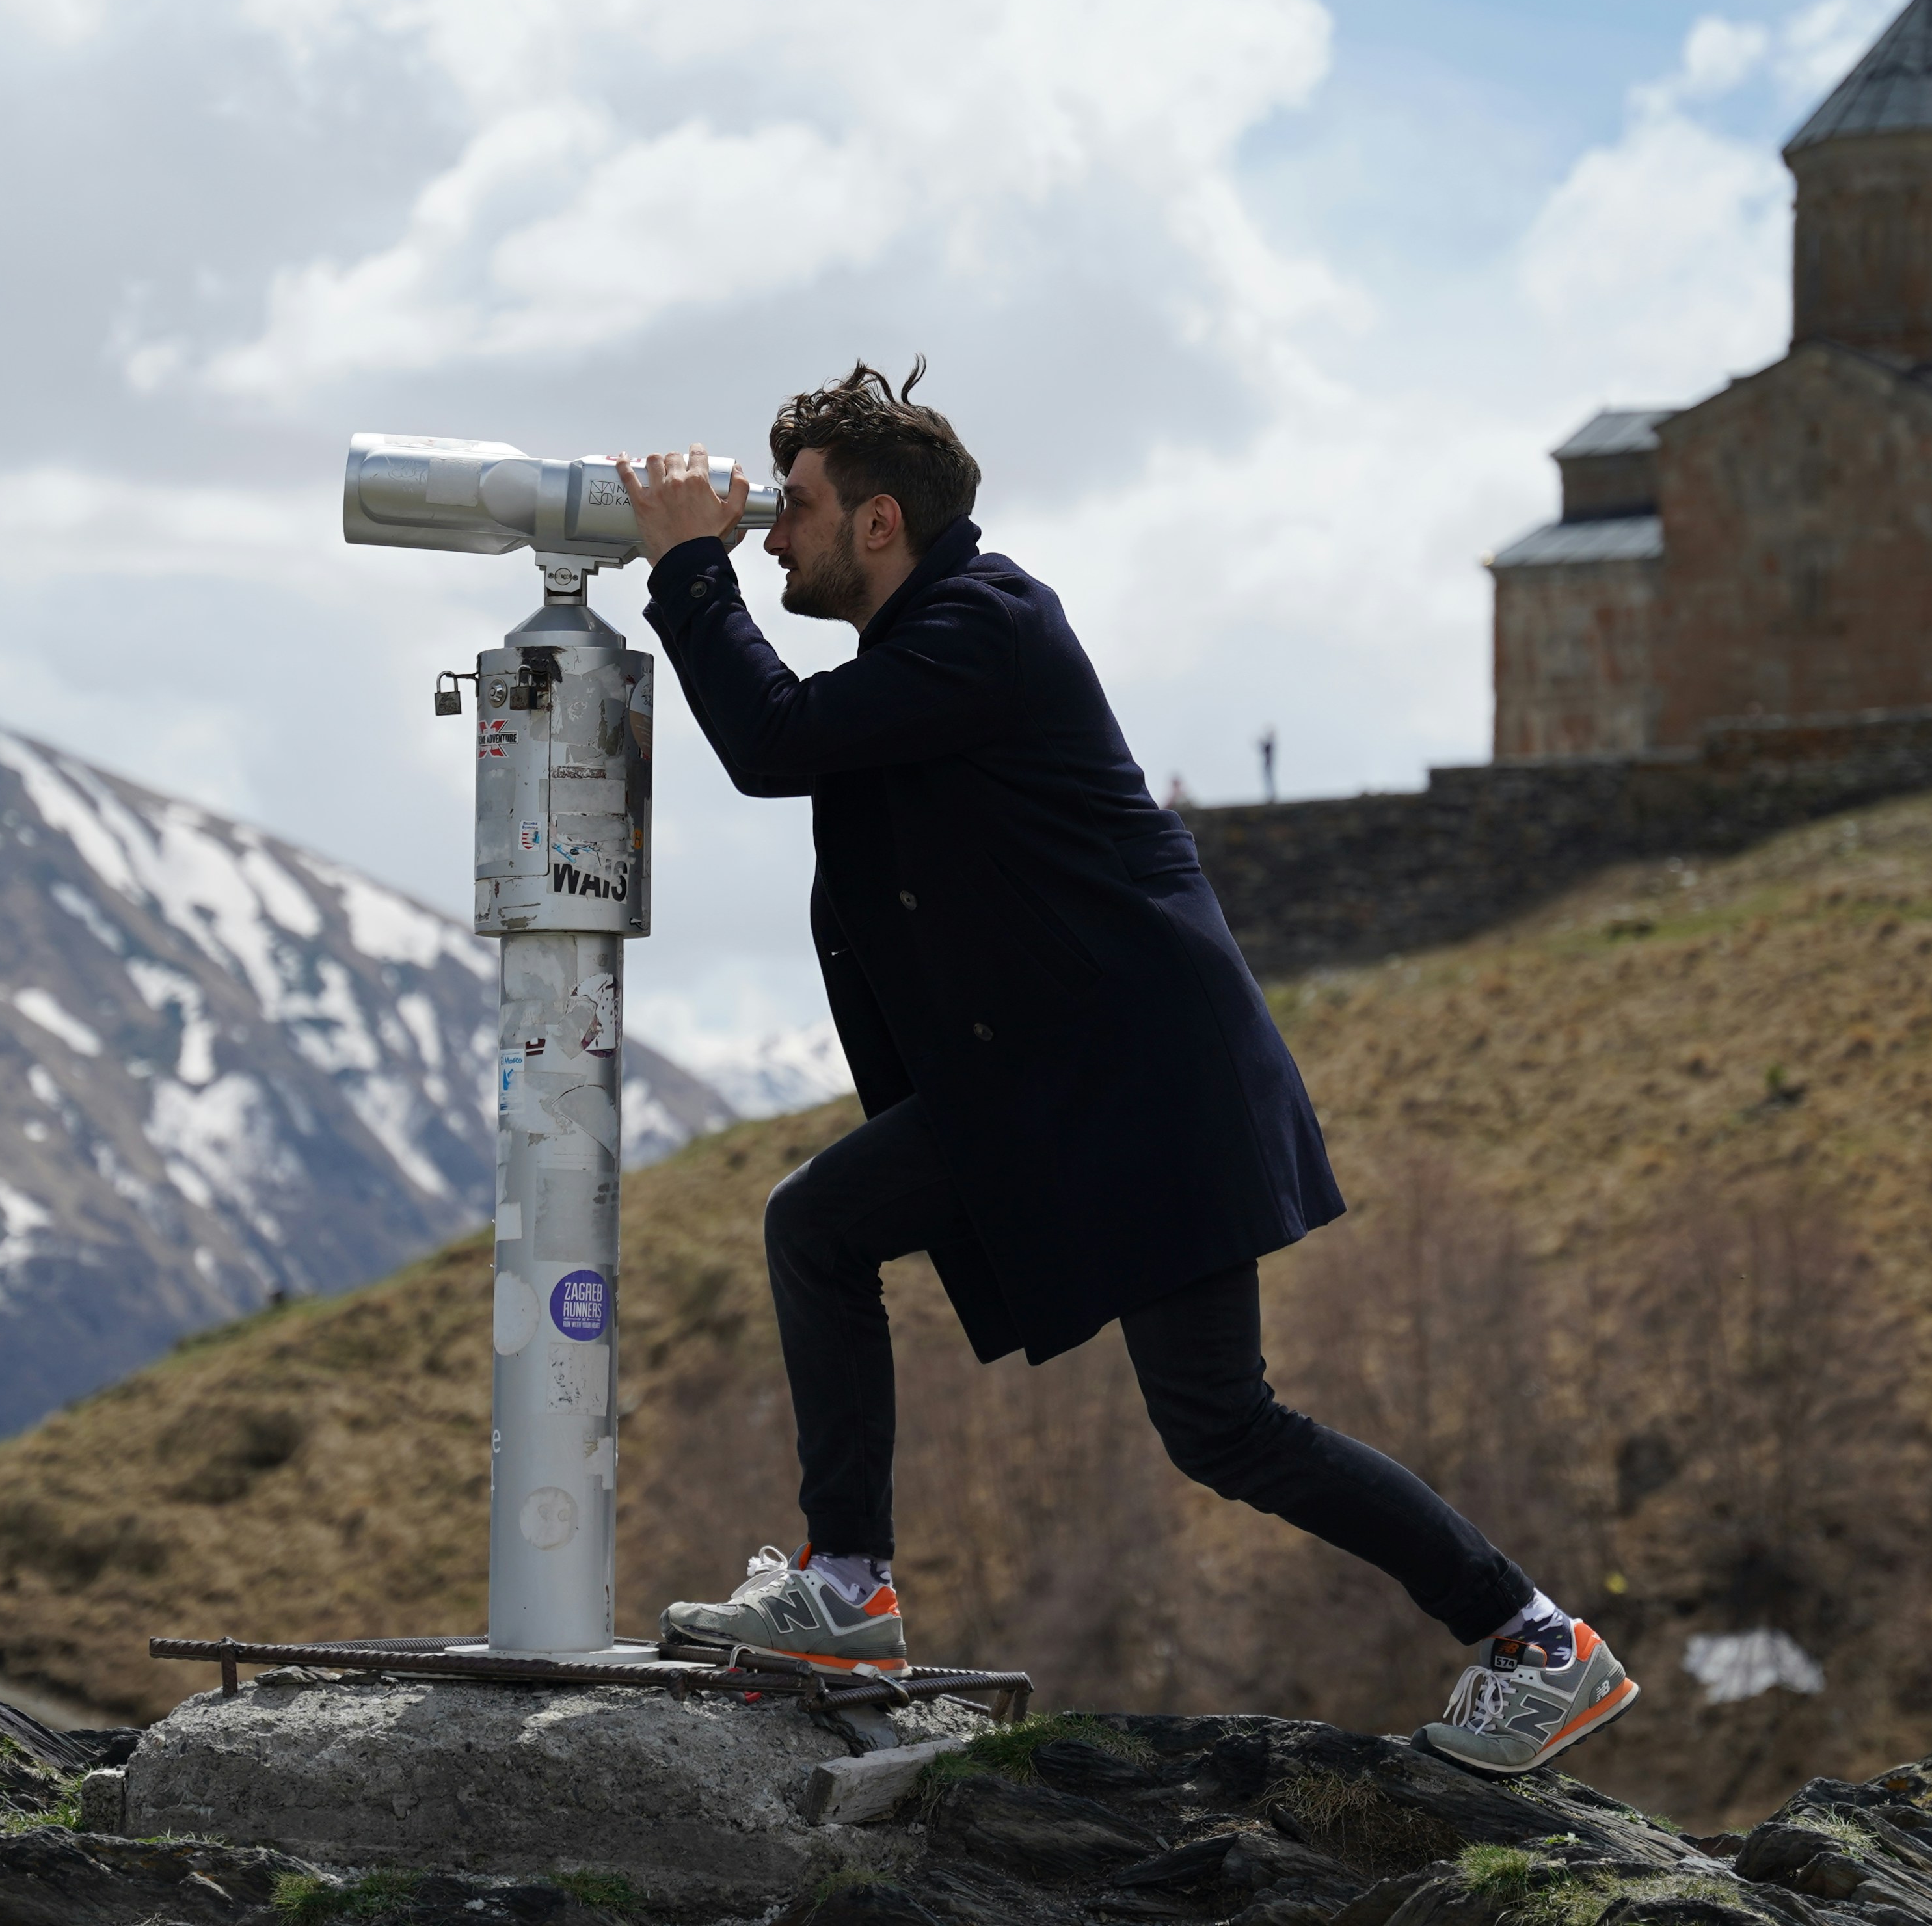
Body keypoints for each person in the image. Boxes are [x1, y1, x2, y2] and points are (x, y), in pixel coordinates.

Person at [610, 362, 1635, 1776]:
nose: (770, 534)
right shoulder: (931, 655)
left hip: (1139, 1091)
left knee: (1182, 1398)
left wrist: (683, 569)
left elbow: (773, 743)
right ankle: (849, 1585)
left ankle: (1537, 1643)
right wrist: (706, 559)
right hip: (1063, 1089)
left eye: (793, 507)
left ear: (883, 521)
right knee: (1190, 1404)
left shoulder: (985, 626)